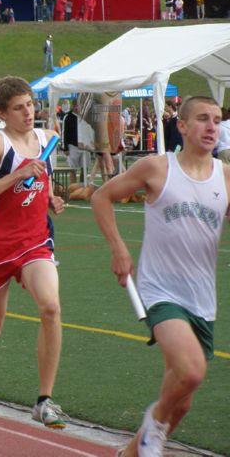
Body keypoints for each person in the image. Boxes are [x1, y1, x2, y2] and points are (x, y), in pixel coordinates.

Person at [90, 96, 229, 457]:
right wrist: (118, 249)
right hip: (160, 291)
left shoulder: (226, 176)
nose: (212, 126)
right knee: (192, 371)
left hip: (202, 298)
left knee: (182, 403)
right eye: (202, 119)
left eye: (217, 119)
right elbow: (101, 197)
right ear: (181, 126)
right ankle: (153, 425)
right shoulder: (157, 168)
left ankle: (132, 451)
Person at [0, 76, 67, 430]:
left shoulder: (48, 139)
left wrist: (50, 199)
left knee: (51, 307)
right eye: (19, 108)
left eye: (30, 105)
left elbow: (42, 179)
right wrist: (17, 175)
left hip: (36, 243)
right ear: (2, 113)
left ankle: (44, 400)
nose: (28, 113)